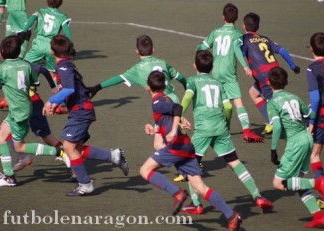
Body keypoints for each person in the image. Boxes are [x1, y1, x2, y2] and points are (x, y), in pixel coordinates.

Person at [140, 70, 242, 231]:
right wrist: (155, 131)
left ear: (147, 87)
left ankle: (177, 194)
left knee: (145, 170)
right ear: (165, 86)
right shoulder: (165, 98)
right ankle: (231, 215)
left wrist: (173, 130)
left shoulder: (157, 102)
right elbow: (168, 118)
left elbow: (177, 109)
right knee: (199, 187)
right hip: (186, 147)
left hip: (176, 147)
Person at [179, 50, 272, 215]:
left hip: (203, 130)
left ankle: (197, 204)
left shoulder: (192, 81)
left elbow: (187, 98)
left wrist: (179, 116)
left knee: (189, 165)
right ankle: (257, 196)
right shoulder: (218, 83)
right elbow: (228, 107)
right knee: (235, 163)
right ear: (212, 67)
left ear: (194, 66)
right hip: (220, 128)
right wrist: (227, 125)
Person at [87, 34, 187, 182]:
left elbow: (118, 79)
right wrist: (187, 89)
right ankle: (187, 165)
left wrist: (97, 87)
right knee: (169, 139)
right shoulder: (163, 62)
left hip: (163, 104)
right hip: (173, 99)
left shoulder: (137, 69)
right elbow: (181, 78)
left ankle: (187, 166)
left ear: (136, 51)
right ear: (153, 49)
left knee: (160, 143)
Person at [43, 35, 129, 196]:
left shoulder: (63, 67)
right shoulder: (66, 64)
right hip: (81, 109)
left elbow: (70, 89)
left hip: (81, 111)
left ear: (51, 51)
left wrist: (51, 101)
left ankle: (85, 184)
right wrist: (60, 106)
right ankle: (114, 155)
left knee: (68, 147)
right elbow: (73, 90)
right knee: (77, 149)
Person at [267, 66, 324, 228]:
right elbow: (311, 113)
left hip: (295, 144)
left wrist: (273, 149)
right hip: (307, 139)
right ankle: (319, 216)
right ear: (286, 82)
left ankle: (317, 184)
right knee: (297, 182)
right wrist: (309, 129)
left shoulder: (272, 103)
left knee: (278, 183)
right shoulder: (294, 96)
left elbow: (278, 127)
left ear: (268, 83)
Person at [0, 35, 64, 186]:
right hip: (25, 106)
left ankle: (59, 152)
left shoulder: (2, 68)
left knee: (19, 146)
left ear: (2, 51)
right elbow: (34, 81)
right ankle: (9, 174)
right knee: (1, 136)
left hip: (18, 112)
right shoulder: (26, 65)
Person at [196, 3, 263, 143]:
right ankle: (246, 131)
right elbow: (237, 51)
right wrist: (245, 66)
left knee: (221, 103)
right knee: (237, 101)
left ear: (223, 17)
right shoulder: (238, 34)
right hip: (228, 73)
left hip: (214, 72)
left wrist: (197, 55)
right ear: (237, 18)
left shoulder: (216, 32)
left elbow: (202, 47)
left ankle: (217, 128)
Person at [241, 12, 300, 135]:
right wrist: (293, 66)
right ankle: (271, 121)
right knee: (253, 93)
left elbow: (240, 55)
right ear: (258, 27)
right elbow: (282, 50)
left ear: (244, 26)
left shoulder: (245, 40)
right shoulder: (265, 38)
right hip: (276, 72)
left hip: (265, 77)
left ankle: (292, 126)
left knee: (273, 104)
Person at [22, 0, 72, 114]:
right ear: (61, 2)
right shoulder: (63, 16)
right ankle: (58, 102)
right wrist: (70, 45)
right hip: (52, 46)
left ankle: (27, 94)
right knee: (53, 73)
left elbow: (30, 21)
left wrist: (23, 32)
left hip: (38, 44)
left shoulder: (40, 11)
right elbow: (67, 34)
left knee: (26, 67)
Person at [305, 32, 324, 209]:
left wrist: (311, 122)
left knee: (314, 154)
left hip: (323, 117)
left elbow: (315, 100)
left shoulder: (312, 69)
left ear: (311, 49)